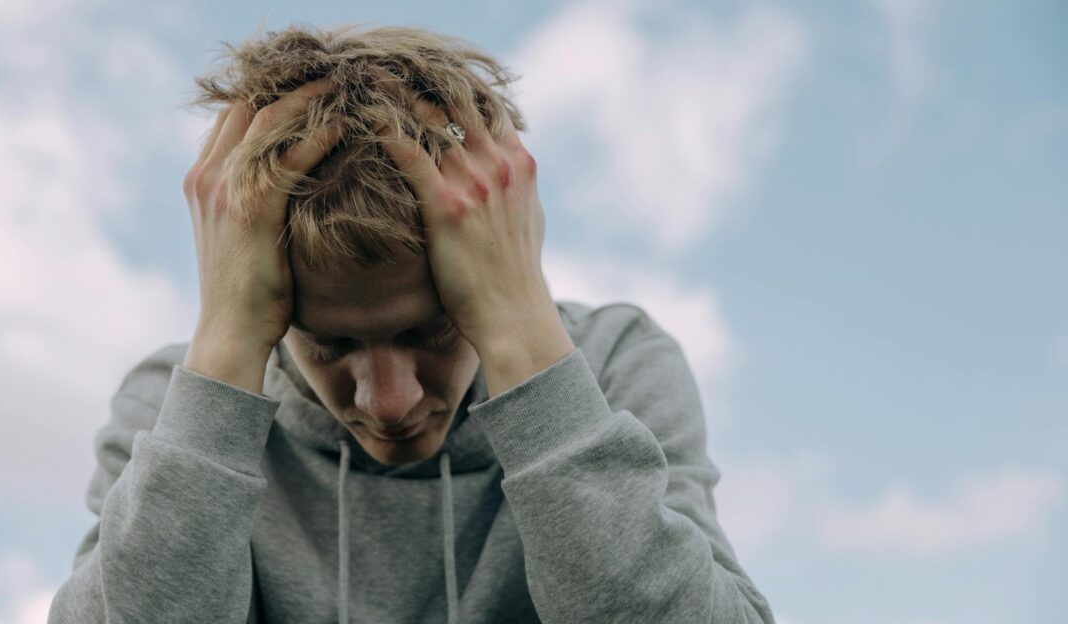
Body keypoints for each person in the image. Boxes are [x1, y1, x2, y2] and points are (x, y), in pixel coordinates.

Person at [48, 22, 774, 624]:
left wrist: (523, 339)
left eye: (431, 333)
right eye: (329, 345)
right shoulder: (176, 409)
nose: (388, 403)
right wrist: (225, 348)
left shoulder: (615, 365)